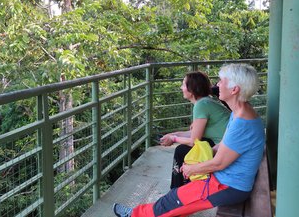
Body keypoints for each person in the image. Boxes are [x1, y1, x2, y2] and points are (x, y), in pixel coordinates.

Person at [112, 63, 265, 217]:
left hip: (227, 185)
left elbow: (219, 163)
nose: (217, 84)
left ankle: (133, 215)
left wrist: (192, 169)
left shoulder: (242, 122)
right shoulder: (240, 113)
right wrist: (197, 160)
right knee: (176, 200)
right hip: (227, 180)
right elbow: (223, 146)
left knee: (173, 200)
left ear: (234, 89)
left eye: (221, 81)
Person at [159, 71, 230, 189]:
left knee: (182, 150)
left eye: (183, 84)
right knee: (185, 149)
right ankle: (185, 187)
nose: (181, 87)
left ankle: (176, 191)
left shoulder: (201, 105)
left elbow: (193, 140)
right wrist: (173, 134)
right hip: (223, 143)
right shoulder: (205, 102)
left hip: (224, 148)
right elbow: (195, 133)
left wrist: (173, 138)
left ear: (192, 89)